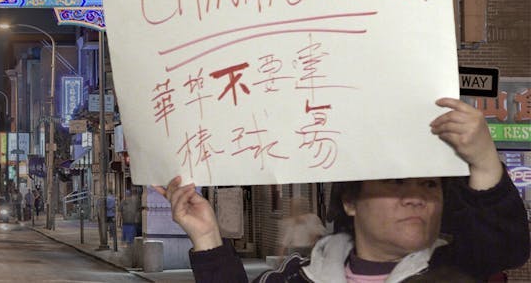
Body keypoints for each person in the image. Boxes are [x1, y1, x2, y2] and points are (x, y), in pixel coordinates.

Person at [155, 98, 530, 282]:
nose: (417, 196)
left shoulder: (458, 271)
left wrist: (484, 163)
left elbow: (504, 245)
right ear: (349, 201)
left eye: (430, 184)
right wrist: (206, 236)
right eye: (395, 182)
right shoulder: (297, 278)